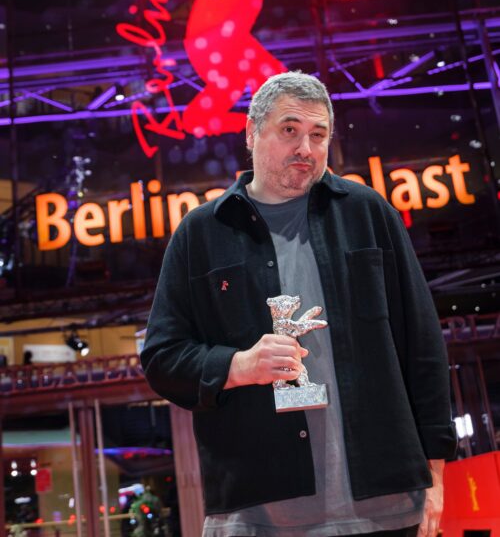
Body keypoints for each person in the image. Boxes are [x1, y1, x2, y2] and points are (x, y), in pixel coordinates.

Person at [141, 72, 456, 537]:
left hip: (386, 504)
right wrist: (240, 365)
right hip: (258, 514)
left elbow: (423, 347)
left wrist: (436, 471)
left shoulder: (369, 213)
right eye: (289, 130)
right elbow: (161, 357)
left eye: (318, 134)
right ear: (251, 133)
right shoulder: (201, 234)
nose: (305, 148)